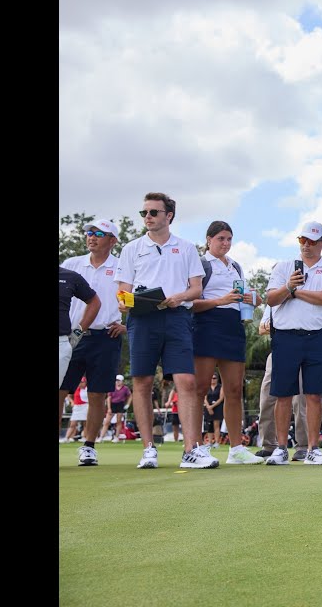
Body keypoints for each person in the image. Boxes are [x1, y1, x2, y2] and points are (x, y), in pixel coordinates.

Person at [114, 192, 215, 469]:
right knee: (142, 383)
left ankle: (191, 450)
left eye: (153, 212)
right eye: (144, 212)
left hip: (176, 318)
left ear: (168, 216)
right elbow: (122, 292)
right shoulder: (132, 248)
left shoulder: (185, 248)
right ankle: (148, 449)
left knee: (187, 382)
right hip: (142, 319)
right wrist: (125, 304)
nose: (147, 217)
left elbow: (197, 288)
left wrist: (179, 297)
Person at [262, 220, 322, 466]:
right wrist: (289, 286)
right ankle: (280, 448)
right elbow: (270, 299)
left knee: (314, 395)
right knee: (282, 393)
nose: (306, 246)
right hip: (285, 337)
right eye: (303, 241)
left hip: (316, 336)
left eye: (312, 241)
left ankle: (312, 449)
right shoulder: (283, 267)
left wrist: (294, 293)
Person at [191, 220, 264, 465]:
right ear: (209, 239)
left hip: (233, 327)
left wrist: (253, 298)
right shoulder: (200, 264)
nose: (225, 243)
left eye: (229, 239)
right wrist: (220, 301)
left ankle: (236, 449)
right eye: (221, 238)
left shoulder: (236, 266)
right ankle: (195, 446)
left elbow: (248, 298)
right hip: (207, 325)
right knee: (200, 388)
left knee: (234, 390)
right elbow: (190, 303)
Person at [59, 224, 111, 465]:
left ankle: (89, 447)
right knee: (60, 391)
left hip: (106, 335)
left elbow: (130, 296)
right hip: (71, 338)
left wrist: (125, 321)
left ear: (112, 240)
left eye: (99, 234)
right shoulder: (71, 263)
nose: (92, 238)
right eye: (89, 233)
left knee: (97, 394)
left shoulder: (122, 265)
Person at [253, 305, 309, 459]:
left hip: (301, 350)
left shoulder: (304, 299)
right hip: (277, 351)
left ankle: (303, 446)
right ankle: (269, 445)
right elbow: (262, 328)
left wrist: (280, 326)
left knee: (300, 400)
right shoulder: (274, 303)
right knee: (267, 397)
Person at [103, 375, 132, 442]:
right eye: (116, 380)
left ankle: (116, 437)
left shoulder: (125, 389)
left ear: (122, 381)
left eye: (119, 380)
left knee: (118, 422)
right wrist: (109, 408)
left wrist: (127, 404)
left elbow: (130, 396)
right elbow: (109, 398)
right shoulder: (112, 387)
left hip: (120, 405)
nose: (117, 382)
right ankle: (101, 437)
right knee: (107, 422)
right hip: (112, 404)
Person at [202, 374, 224, 449]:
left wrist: (212, 407)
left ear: (217, 379)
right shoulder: (207, 387)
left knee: (216, 425)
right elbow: (204, 398)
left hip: (217, 407)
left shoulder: (220, 387)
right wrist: (208, 407)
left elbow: (221, 398)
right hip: (208, 407)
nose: (213, 380)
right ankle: (210, 442)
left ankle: (217, 442)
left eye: (214, 378)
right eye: (211, 378)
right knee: (209, 425)